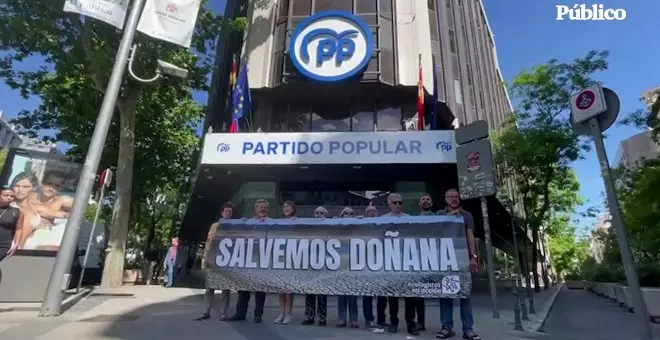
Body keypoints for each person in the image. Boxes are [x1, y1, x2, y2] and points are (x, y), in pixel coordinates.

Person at [436, 188, 481, 340]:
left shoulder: (467, 215)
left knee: (465, 295)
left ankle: (468, 329)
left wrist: (473, 257)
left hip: (462, 259)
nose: (454, 199)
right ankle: (446, 327)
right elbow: (436, 231)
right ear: (445, 199)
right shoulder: (440, 215)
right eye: (451, 197)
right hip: (446, 259)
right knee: (446, 294)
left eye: (457, 197)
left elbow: (470, 235)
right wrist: (449, 217)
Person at [228, 199, 270, 323]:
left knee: (260, 289)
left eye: (265, 207)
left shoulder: (273, 223)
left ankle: (258, 314)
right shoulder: (248, 222)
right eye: (260, 207)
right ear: (255, 209)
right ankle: (240, 313)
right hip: (247, 260)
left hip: (262, 259)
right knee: (243, 287)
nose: (262, 209)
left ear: (267, 210)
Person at [376, 193, 409, 334]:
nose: (397, 205)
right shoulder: (382, 220)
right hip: (389, 262)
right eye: (395, 202)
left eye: (400, 202)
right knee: (392, 296)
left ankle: (411, 323)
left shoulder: (410, 219)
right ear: (389, 204)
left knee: (409, 295)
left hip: (406, 261)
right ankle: (393, 322)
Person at [196, 202, 233, 321]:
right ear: (222, 212)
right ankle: (206, 311)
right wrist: (206, 258)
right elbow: (209, 242)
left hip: (227, 261)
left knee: (225, 289)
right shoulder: (215, 226)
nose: (228, 213)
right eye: (226, 211)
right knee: (209, 288)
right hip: (214, 259)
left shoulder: (234, 225)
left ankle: (223, 313)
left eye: (230, 212)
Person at [403, 193, 434, 333]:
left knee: (420, 294)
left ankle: (421, 322)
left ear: (432, 203)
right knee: (411, 293)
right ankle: (412, 323)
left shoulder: (439, 216)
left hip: (430, 259)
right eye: (423, 199)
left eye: (428, 199)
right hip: (413, 260)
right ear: (419, 203)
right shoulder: (412, 219)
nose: (426, 201)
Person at [301, 206, 329, 326]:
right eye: (317, 213)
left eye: (322, 213)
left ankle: (322, 317)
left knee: (322, 293)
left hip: (325, 265)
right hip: (310, 264)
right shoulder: (309, 227)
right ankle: (310, 316)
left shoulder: (331, 226)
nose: (319, 215)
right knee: (310, 292)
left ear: (326, 215)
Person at [11, 172, 51, 249]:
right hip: (17, 248)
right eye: (16, 186)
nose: (20, 190)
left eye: (26, 187)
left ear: (34, 188)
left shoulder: (33, 206)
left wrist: (42, 220)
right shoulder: (9, 205)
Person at [336, 207, 359, 328]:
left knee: (352, 294)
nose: (349, 215)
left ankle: (354, 318)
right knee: (341, 294)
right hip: (340, 264)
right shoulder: (337, 227)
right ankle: (341, 318)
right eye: (346, 213)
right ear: (342, 215)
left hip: (353, 264)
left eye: (351, 213)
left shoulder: (356, 228)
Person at [275, 200, 297, 324]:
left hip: (291, 257)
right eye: (284, 207)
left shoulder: (297, 220)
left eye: (288, 206)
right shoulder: (279, 222)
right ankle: (281, 312)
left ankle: (288, 313)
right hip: (280, 257)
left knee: (288, 289)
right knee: (281, 289)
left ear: (293, 209)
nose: (286, 208)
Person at [361, 204, 378, 328]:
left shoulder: (383, 223)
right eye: (369, 211)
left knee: (382, 294)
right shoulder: (361, 224)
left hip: (381, 263)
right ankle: (369, 318)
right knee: (367, 294)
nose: (371, 213)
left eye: (373, 211)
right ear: (365, 214)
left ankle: (381, 319)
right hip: (366, 265)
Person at [0, 187, 23, 262]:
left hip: (3, 244)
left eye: (12, 196)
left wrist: (16, 243)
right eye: (6, 195)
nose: (9, 198)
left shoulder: (16, 211)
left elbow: (19, 229)